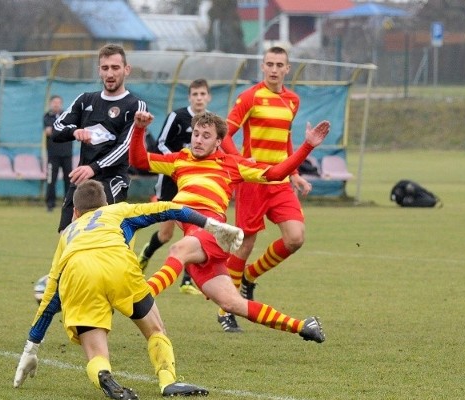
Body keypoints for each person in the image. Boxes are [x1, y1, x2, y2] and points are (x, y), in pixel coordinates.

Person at [13, 180, 244, 400]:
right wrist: (211, 225)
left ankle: (104, 374)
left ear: (75, 211)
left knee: (96, 354)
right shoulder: (118, 211)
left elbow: (52, 293)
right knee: (155, 329)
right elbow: (170, 209)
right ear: (105, 204)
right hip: (118, 264)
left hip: (79, 274)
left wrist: (31, 348)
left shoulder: (67, 235)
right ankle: (167, 381)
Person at [129, 110, 328, 343]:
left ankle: (142, 297)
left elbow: (276, 173)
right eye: (196, 134)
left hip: (211, 231)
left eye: (206, 136)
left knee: (177, 251)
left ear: (218, 142)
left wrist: (307, 146)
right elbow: (139, 160)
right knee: (232, 303)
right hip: (196, 238)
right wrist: (139, 129)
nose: (198, 140)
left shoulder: (232, 164)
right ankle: (304, 326)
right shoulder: (179, 159)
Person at [217, 46, 314, 331]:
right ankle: (226, 308)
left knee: (295, 238)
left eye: (279, 64)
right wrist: (238, 160)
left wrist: (294, 173)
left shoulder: (292, 101)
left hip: (280, 182)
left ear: (287, 68)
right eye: (269, 64)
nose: (274, 69)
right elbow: (225, 132)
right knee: (245, 243)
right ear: (262, 67)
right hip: (253, 181)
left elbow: (285, 140)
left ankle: (249, 277)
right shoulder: (249, 97)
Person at [52, 43, 147, 232]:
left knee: (101, 235)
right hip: (82, 178)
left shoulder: (135, 105)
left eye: (115, 67)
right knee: (67, 234)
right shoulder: (85, 100)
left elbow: (124, 147)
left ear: (126, 70)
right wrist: (74, 132)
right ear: (99, 71)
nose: (110, 74)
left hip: (112, 180)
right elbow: (57, 129)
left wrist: (93, 168)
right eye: (105, 68)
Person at [137, 78, 212, 296]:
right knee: (166, 234)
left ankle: (187, 281)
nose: (199, 98)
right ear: (189, 97)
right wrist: (177, 162)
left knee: (195, 231)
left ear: (208, 97)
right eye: (195, 94)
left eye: (202, 94)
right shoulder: (177, 117)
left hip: (196, 182)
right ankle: (146, 254)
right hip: (172, 179)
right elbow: (160, 142)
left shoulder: (211, 122)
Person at [43, 95, 73, 211]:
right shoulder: (47, 116)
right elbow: (48, 132)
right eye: (54, 102)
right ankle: (50, 204)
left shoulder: (67, 116)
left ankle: (68, 204)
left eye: (58, 102)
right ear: (51, 103)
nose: (56, 104)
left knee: (69, 180)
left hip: (67, 154)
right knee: (51, 180)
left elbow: (70, 130)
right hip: (53, 154)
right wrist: (63, 130)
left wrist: (59, 130)